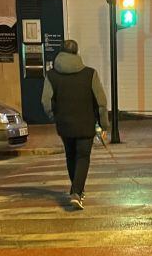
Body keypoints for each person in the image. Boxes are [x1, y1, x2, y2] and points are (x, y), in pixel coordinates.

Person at [41, 39, 109, 210]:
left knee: (71, 156)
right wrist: (104, 125)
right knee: (83, 157)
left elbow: (45, 101)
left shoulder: (51, 75)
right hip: (86, 124)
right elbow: (101, 101)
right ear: (77, 53)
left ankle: (76, 190)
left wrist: (54, 117)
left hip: (64, 125)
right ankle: (77, 193)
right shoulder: (90, 74)